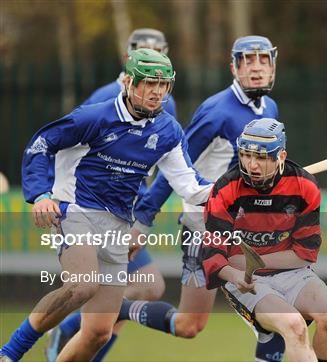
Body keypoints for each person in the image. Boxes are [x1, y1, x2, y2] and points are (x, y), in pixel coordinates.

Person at [0, 48, 211, 362]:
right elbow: (41, 144)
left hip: (117, 226)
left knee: (98, 332)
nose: (156, 92)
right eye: (148, 83)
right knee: (84, 284)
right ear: (128, 82)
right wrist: (40, 195)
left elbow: (191, 187)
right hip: (75, 209)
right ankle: (9, 353)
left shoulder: (168, 131)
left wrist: (231, 191)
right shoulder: (95, 116)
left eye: (163, 85)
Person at [116, 35, 287, 361]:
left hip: (245, 233)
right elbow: (171, 167)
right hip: (207, 232)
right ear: (234, 67)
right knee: (194, 324)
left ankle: (118, 307)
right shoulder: (216, 112)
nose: (256, 68)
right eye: (247, 61)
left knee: (199, 324)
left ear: (273, 66)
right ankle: (118, 308)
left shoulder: (270, 108)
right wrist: (142, 222)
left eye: (263, 60)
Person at [44, 28, 176, 362]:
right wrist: (50, 197)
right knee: (125, 288)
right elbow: (65, 148)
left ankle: (79, 329)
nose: (154, 80)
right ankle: (69, 323)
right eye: (141, 53)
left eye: (157, 53)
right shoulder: (105, 98)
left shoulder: (166, 103)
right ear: (126, 60)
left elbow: (165, 156)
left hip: (124, 211)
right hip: (90, 211)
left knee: (146, 287)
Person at [202, 118, 327, 362]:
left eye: (262, 157)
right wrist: (240, 274)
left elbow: (304, 254)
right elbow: (213, 255)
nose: (252, 165)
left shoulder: (305, 187)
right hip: (243, 280)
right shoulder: (225, 189)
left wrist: (255, 261)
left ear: (281, 156)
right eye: (246, 155)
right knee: (294, 326)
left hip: (290, 273)